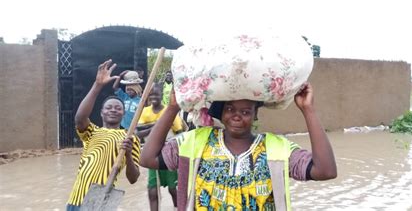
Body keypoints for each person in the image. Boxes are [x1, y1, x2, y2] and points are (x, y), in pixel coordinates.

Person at [140, 82, 337, 210]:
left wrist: (308, 110)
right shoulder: (197, 141)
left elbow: (325, 170)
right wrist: (173, 107)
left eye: (245, 111)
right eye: (230, 109)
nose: (237, 115)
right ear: (221, 113)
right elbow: (147, 158)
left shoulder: (275, 148)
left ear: (255, 115)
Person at [66, 60, 141, 210]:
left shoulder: (130, 138)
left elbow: (133, 178)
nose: (113, 110)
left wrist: (127, 154)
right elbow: (79, 119)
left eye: (118, 108)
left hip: (102, 201)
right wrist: (97, 85)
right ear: (101, 113)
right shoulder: (92, 132)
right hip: (76, 197)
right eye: (109, 107)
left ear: (123, 113)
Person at [136, 83, 184, 210]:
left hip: (169, 155)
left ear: (162, 95)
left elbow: (179, 132)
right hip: (152, 154)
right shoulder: (145, 111)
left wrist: (152, 127)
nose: (153, 97)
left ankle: (177, 208)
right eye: (151, 95)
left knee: (173, 189)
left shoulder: (169, 111)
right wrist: (160, 125)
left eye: (156, 94)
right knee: (152, 190)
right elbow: (138, 132)